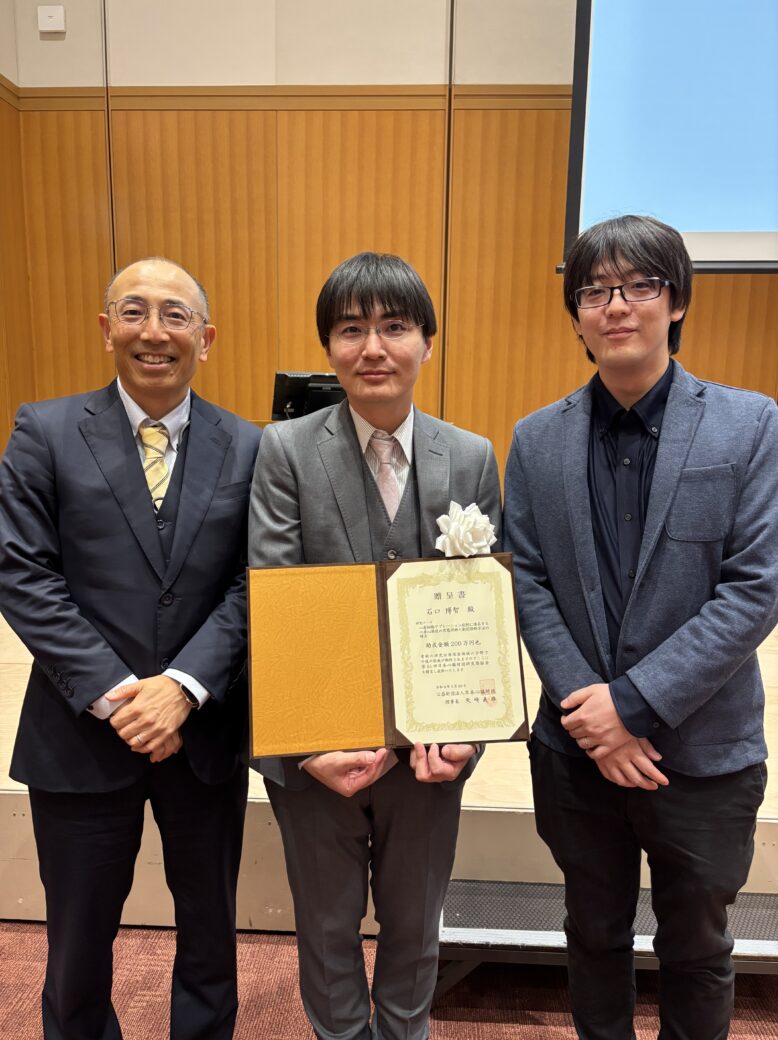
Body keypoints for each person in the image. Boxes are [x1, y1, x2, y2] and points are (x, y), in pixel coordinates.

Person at [503, 214, 778, 1039]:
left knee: (698, 948)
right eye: (594, 292)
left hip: (701, 749)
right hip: (576, 751)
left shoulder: (749, 424)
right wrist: (594, 714)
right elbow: (530, 583)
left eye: (639, 286)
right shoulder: (535, 440)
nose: (616, 306)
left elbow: (755, 589)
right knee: (593, 935)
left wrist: (631, 706)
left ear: (677, 300)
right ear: (577, 315)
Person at [0, 258, 261, 1040]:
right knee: (77, 948)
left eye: (176, 315)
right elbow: (22, 574)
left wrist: (182, 686)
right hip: (79, 733)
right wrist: (120, 696)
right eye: (134, 311)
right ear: (105, 327)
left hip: (203, 732)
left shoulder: (251, 446)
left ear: (205, 339)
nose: (155, 331)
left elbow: (255, 583)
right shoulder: (43, 431)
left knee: (211, 937)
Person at [249, 251, 501, 1040]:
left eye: (394, 327)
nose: (373, 348)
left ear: (428, 340)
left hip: (430, 756)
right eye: (351, 330)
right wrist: (310, 744)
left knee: (416, 927)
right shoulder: (284, 449)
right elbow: (275, 599)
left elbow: (481, 611)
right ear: (328, 346)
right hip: (319, 751)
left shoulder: (470, 455)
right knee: (326, 932)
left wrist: (465, 735)